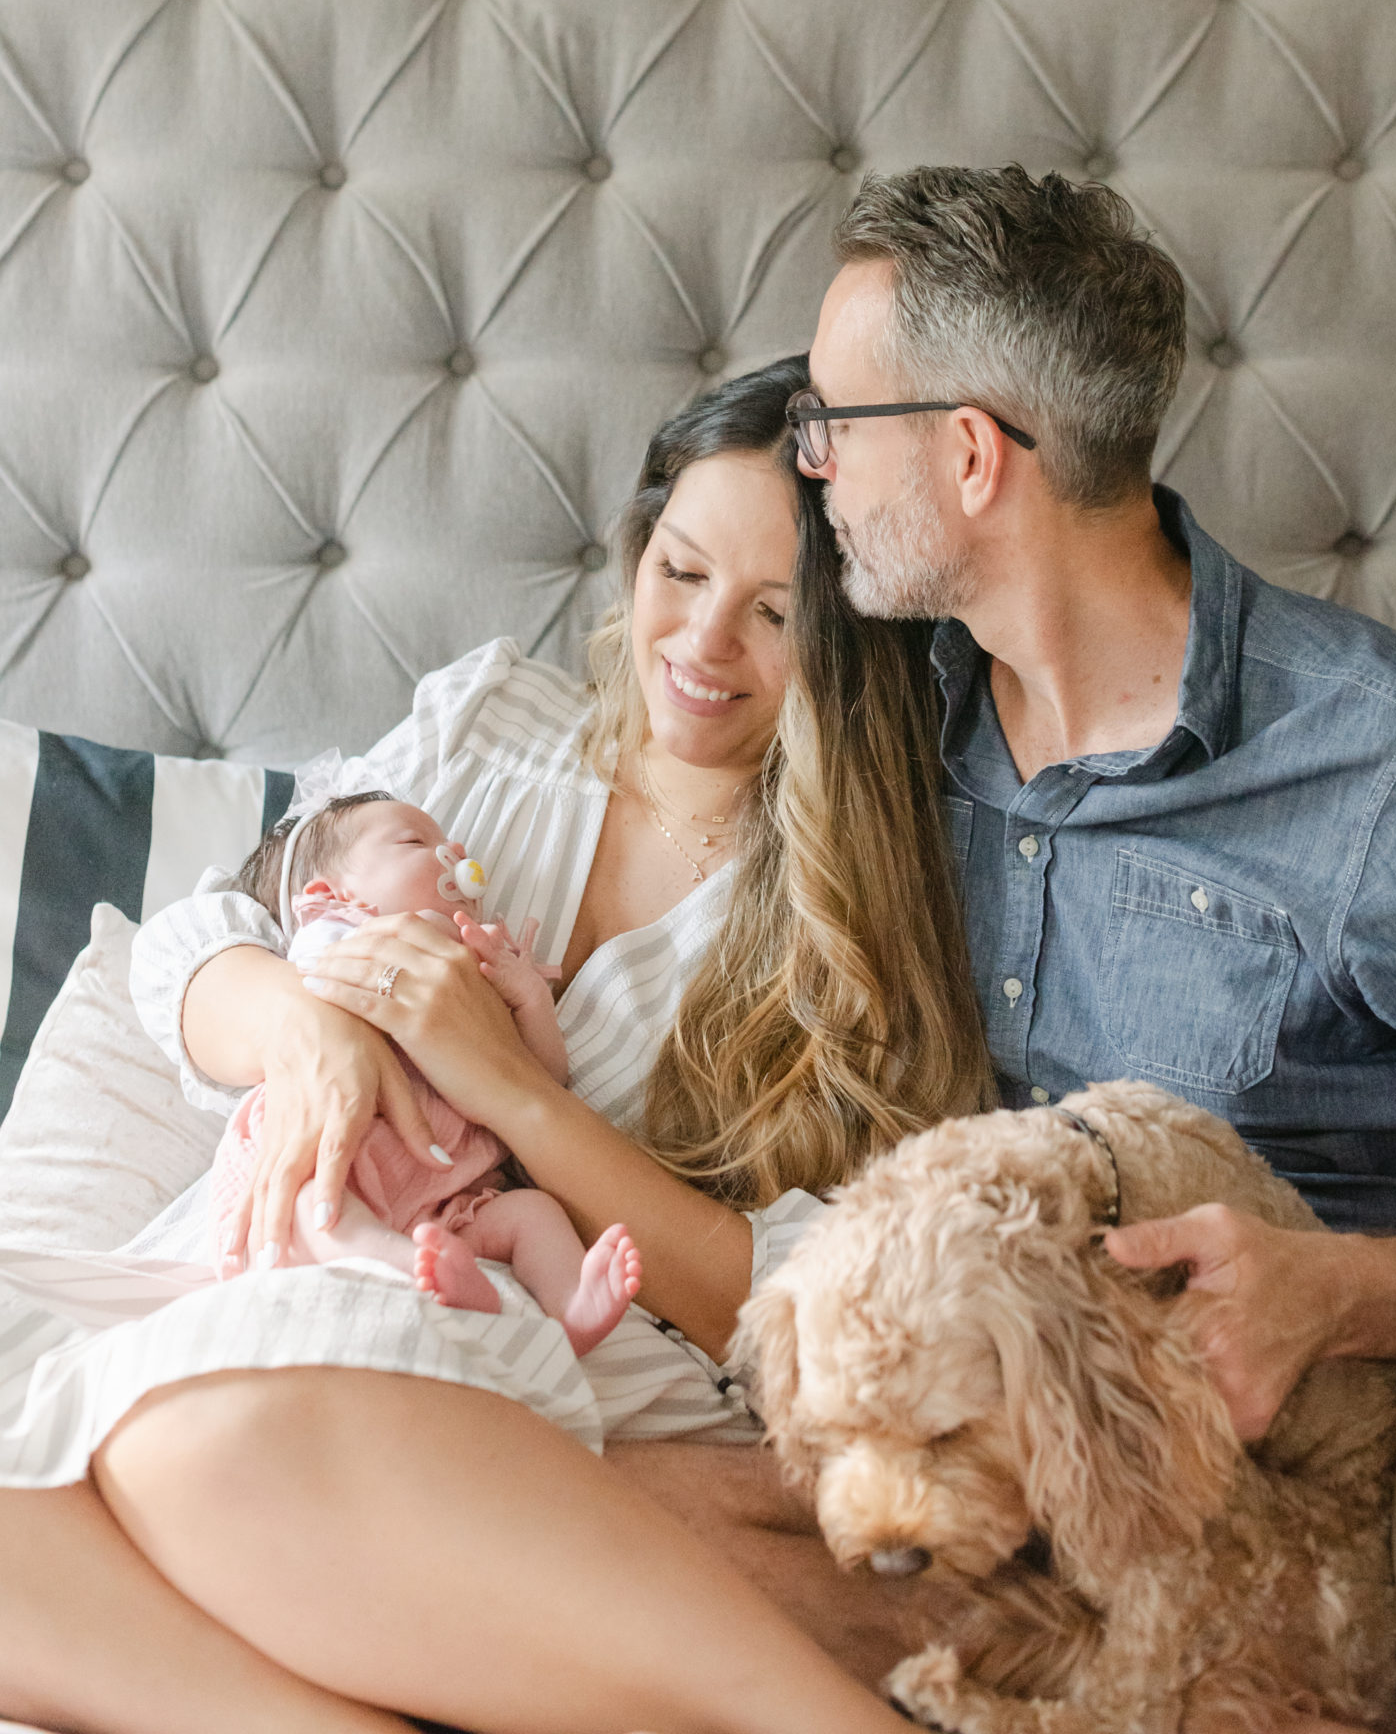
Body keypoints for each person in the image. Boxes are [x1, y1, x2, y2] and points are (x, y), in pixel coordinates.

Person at [756, 163, 1396, 1734]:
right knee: (504, 1529)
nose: (816, 474)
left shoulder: (1384, 762)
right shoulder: (892, 744)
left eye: (830, 427)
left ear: (970, 454)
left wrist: (1339, 1292)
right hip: (1042, 1425)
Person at [0, 355, 988, 1734]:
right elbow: (195, 941)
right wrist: (300, 1028)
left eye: (775, 615)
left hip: (500, 1368)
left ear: (853, 647)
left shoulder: (853, 921)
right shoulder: (481, 739)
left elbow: (805, 1311)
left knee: (200, 1440)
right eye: (682, 573)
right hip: (271, 1286)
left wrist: (510, 1090)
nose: (702, 646)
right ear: (638, 547)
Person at [206, 790, 643, 1347]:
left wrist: (528, 997)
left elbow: (545, 1078)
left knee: (532, 1213)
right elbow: (322, 982)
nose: (454, 853)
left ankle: (570, 1308)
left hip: (448, 1193)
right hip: (336, 1149)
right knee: (307, 1209)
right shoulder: (332, 930)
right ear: (331, 895)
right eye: (416, 842)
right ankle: (405, 1265)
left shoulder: (486, 970)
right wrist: (442, 941)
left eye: (450, 843)